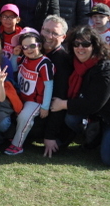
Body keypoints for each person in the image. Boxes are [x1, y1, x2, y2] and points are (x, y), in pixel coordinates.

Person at [50, 26, 110, 167]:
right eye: (76, 44)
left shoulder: (106, 68)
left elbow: (93, 104)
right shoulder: (76, 63)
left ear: (95, 46)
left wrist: (63, 104)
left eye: (85, 44)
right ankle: (96, 138)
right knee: (72, 118)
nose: (80, 48)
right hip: (101, 117)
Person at [4, 31, 53, 156]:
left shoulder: (44, 63)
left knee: (24, 117)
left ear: (39, 45)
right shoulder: (24, 58)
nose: (28, 49)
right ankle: (11, 135)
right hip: (23, 96)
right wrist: (15, 56)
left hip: (36, 100)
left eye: (32, 46)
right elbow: (14, 70)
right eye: (25, 47)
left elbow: (49, 85)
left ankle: (17, 145)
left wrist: (45, 106)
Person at [38, 15, 72, 158]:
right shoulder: (35, 50)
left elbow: (58, 100)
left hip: (52, 115)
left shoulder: (62, 60)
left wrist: (50, 136)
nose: (49, 36)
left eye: (54, 33)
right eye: (46, 31)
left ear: (63, 37)